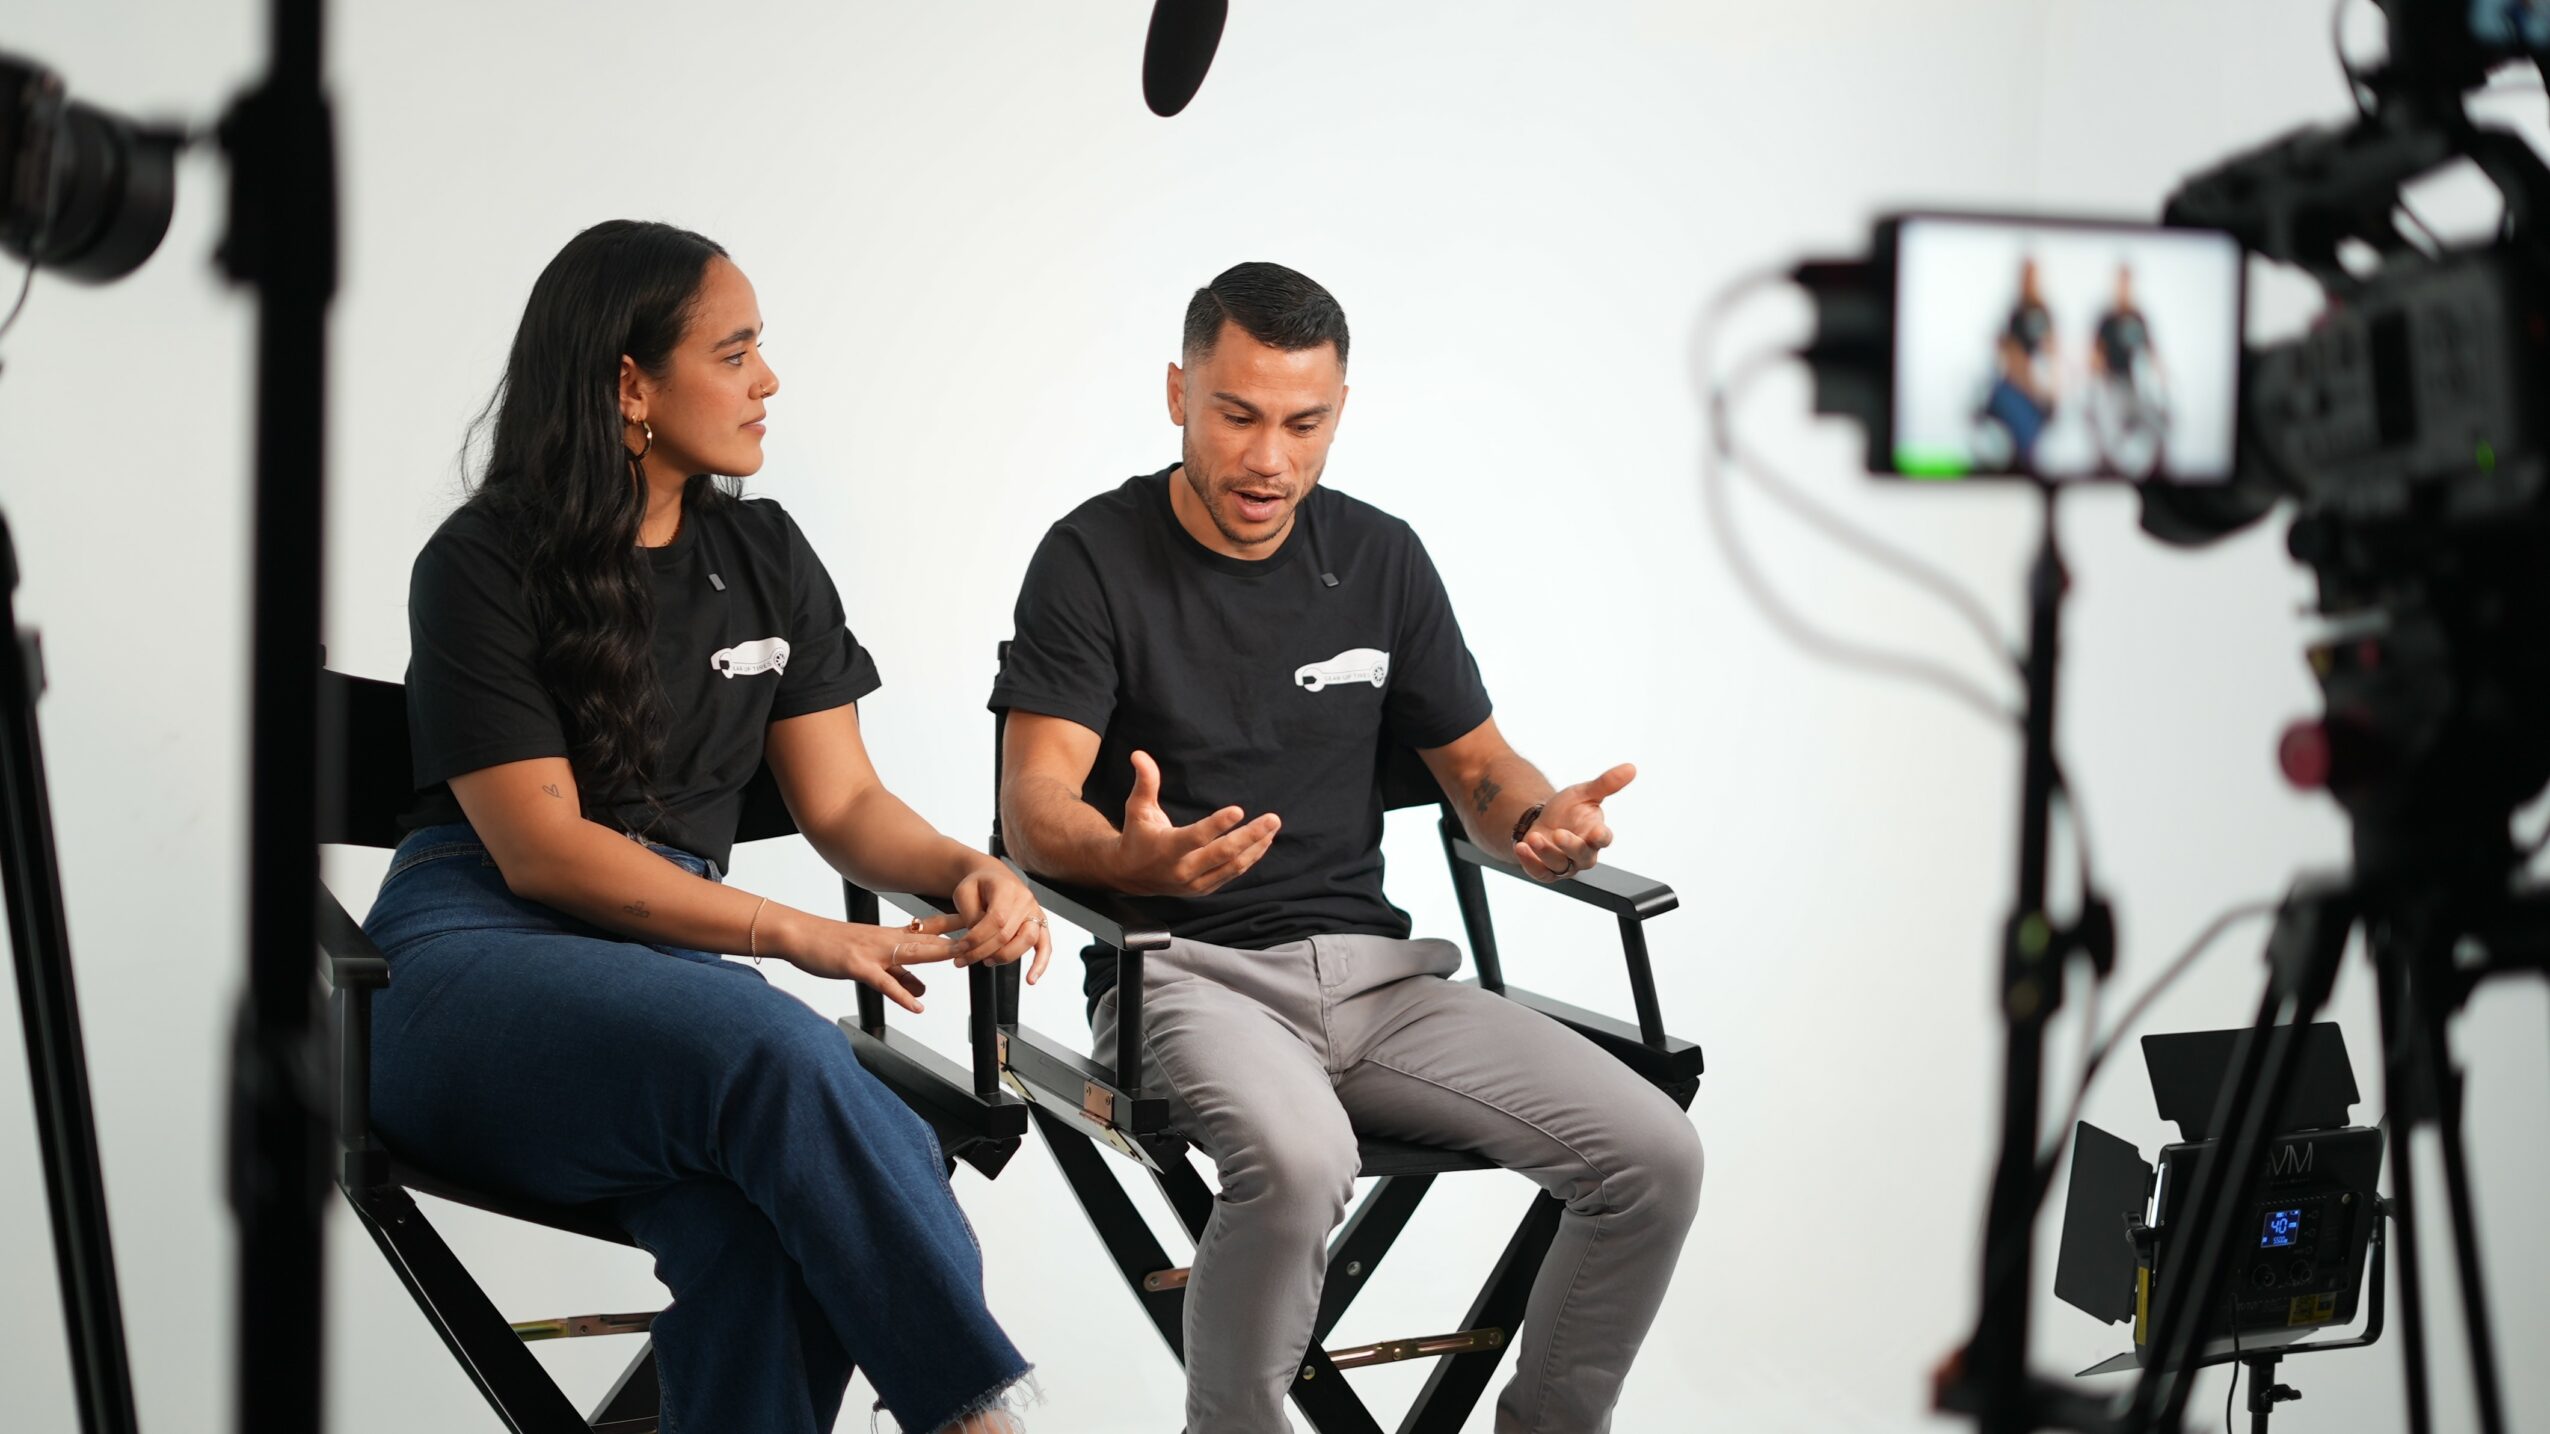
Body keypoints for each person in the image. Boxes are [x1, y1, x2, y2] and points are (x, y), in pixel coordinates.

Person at [990, 261, 1703, 1434]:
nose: (1269, 459)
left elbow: (1480, 770)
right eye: (1237, 415)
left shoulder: (1380, 558)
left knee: (1654, 1157)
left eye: (1303, 422)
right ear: (1178, 394)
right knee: (1303, 1161)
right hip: (1186, 974)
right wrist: (1138, 863)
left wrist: (1536, 821)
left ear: (1339, 414)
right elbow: (1034, 811)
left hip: (1378, 987)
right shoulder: (1092, 559)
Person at [362, 220, 1043, 1434]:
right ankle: (976, 1422)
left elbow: (843, 805)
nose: (766, 381)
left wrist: (966, 867)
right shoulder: (480, 562)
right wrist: (788, 938)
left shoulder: (765, 553)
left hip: (670, 993)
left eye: (759, 350)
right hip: (470, 959)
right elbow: (542, 849)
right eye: (734, 354)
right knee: (794, 1062)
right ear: (631, 384)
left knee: (781, 1228)